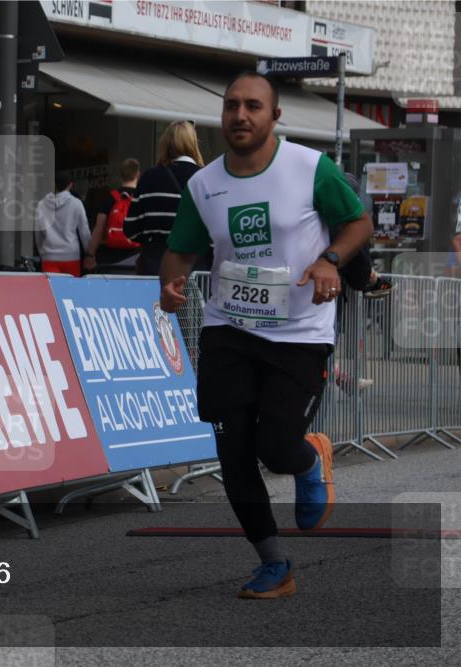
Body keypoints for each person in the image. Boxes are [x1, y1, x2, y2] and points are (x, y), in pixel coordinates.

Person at [159, 72, 373, 599]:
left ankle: (308, 457)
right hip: (229, 327)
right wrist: (169, 283)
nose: (240, 115)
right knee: (233, 455)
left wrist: (330, 261)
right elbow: (180, 249)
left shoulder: (308, 168)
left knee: (275, 448)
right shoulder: (204, 184)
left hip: (300, 332)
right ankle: (274, 564)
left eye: (253, 106)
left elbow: (358, 224)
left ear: (275, 116)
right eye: (231, 105)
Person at [130, 121, 207, 276]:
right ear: (193, 144)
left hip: (155, 263)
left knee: (155, 301)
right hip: (196, 267)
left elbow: (131, 227)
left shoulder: (149, 177)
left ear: (165, 143)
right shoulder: (206, 178)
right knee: (193, 301)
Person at [84, 158, 140, 274]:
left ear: (120, 175)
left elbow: (99, 229)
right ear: (138, 174)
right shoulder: (142, 197)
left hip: (111, 259)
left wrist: (90, 254)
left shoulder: (111, 198)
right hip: (136, 257)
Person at [35, 171, 90, 277]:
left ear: (53, 184)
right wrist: (89, 253)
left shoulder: (41, 205)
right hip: (71, 256)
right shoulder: (76, 204)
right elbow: (84, 231)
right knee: (71, 291)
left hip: (49, 256)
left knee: (52, 291)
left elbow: (38, 233)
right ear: (70, 185)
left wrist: (42, 252)